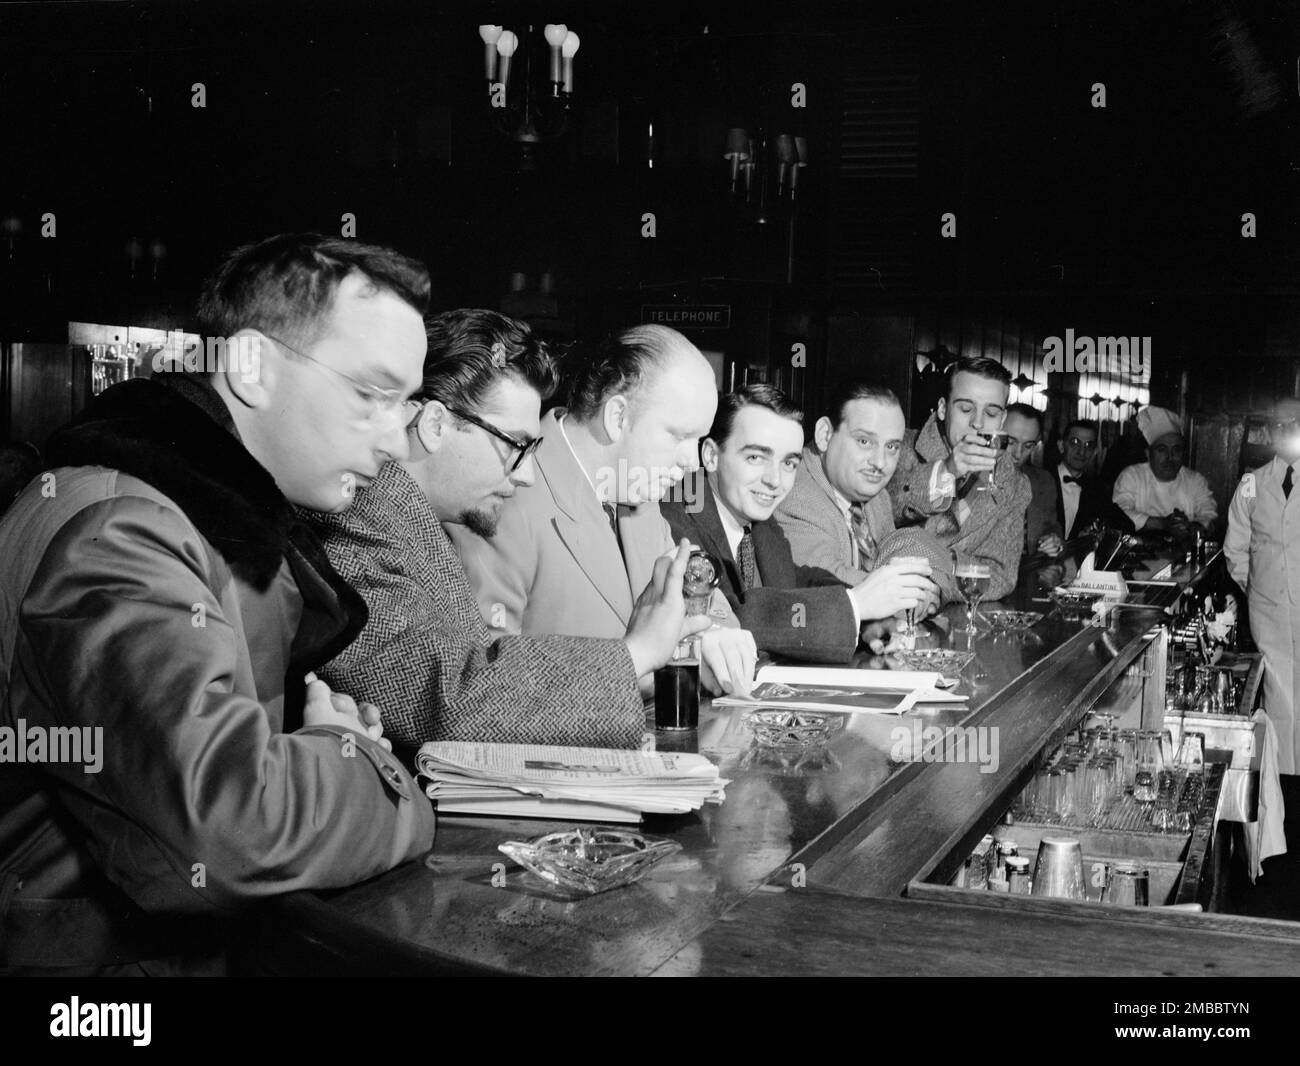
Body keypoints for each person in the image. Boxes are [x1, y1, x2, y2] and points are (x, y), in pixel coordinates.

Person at [0, 234, 437, 974]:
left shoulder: (174, 507)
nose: (398, 439)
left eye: (408, 403)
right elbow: (229, 834)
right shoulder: (122, 532)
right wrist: (353, 756)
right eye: (370, 395)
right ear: (248, 366)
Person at [302, 310, 710, 753]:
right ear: (436, 424)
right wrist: (635, 654)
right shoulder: (357, 522)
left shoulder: (417, 521)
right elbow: (446, 699)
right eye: (516, 445)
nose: (528, 475)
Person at [449, 324, 757, 697]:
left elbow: (694, 584)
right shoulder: (502, 497)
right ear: (617, 417)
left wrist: (716, 633)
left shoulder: (636, 494)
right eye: (678, 436)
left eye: (698, 441)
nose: (693, 462)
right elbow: (486, 689)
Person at [661, 384, 936, 662]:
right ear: (711, 456)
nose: (775, 480)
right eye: (756, 457)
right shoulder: (676, 514)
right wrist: (855, 606)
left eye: (789, 463)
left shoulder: (758, 520)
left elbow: (796, 581)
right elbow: (725, 616)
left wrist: (865, 620)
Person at [888, 355, 1030, 601]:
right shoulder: (898, 449)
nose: (977, 423)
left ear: (1003, 420)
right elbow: (890, 514)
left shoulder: (1015, 485)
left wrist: (934, 580)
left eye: (991, 412)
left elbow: (1001, 576)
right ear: (943, 409)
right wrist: (946, 471)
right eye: (966, 409)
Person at [1226, 397, 1300, 775]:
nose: (1286, 431)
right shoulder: (1253, 484)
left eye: (1295, 423)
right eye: (1279, 425)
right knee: (1278, 696)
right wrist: (1259, 589)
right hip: (1267, 610)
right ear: (1269, 432)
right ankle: (1284, 781)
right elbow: (1236, 546)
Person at [1113, 406, 1217, 534]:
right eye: (1162, 450)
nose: (1170, 457)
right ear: (1148, 454)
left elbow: (1209, 514)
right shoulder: (1132, 476)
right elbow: (1119, 513)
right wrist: (1162, 524)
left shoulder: (1195, 480)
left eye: (1176, 450)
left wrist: (1191, 526)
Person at [1003, 403, 1063, 558]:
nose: (1017, 454)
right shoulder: (969, 478)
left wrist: (1052, 540)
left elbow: (1052, 527)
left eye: (1028, 446)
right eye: (1010, 442)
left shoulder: (1043, 481)